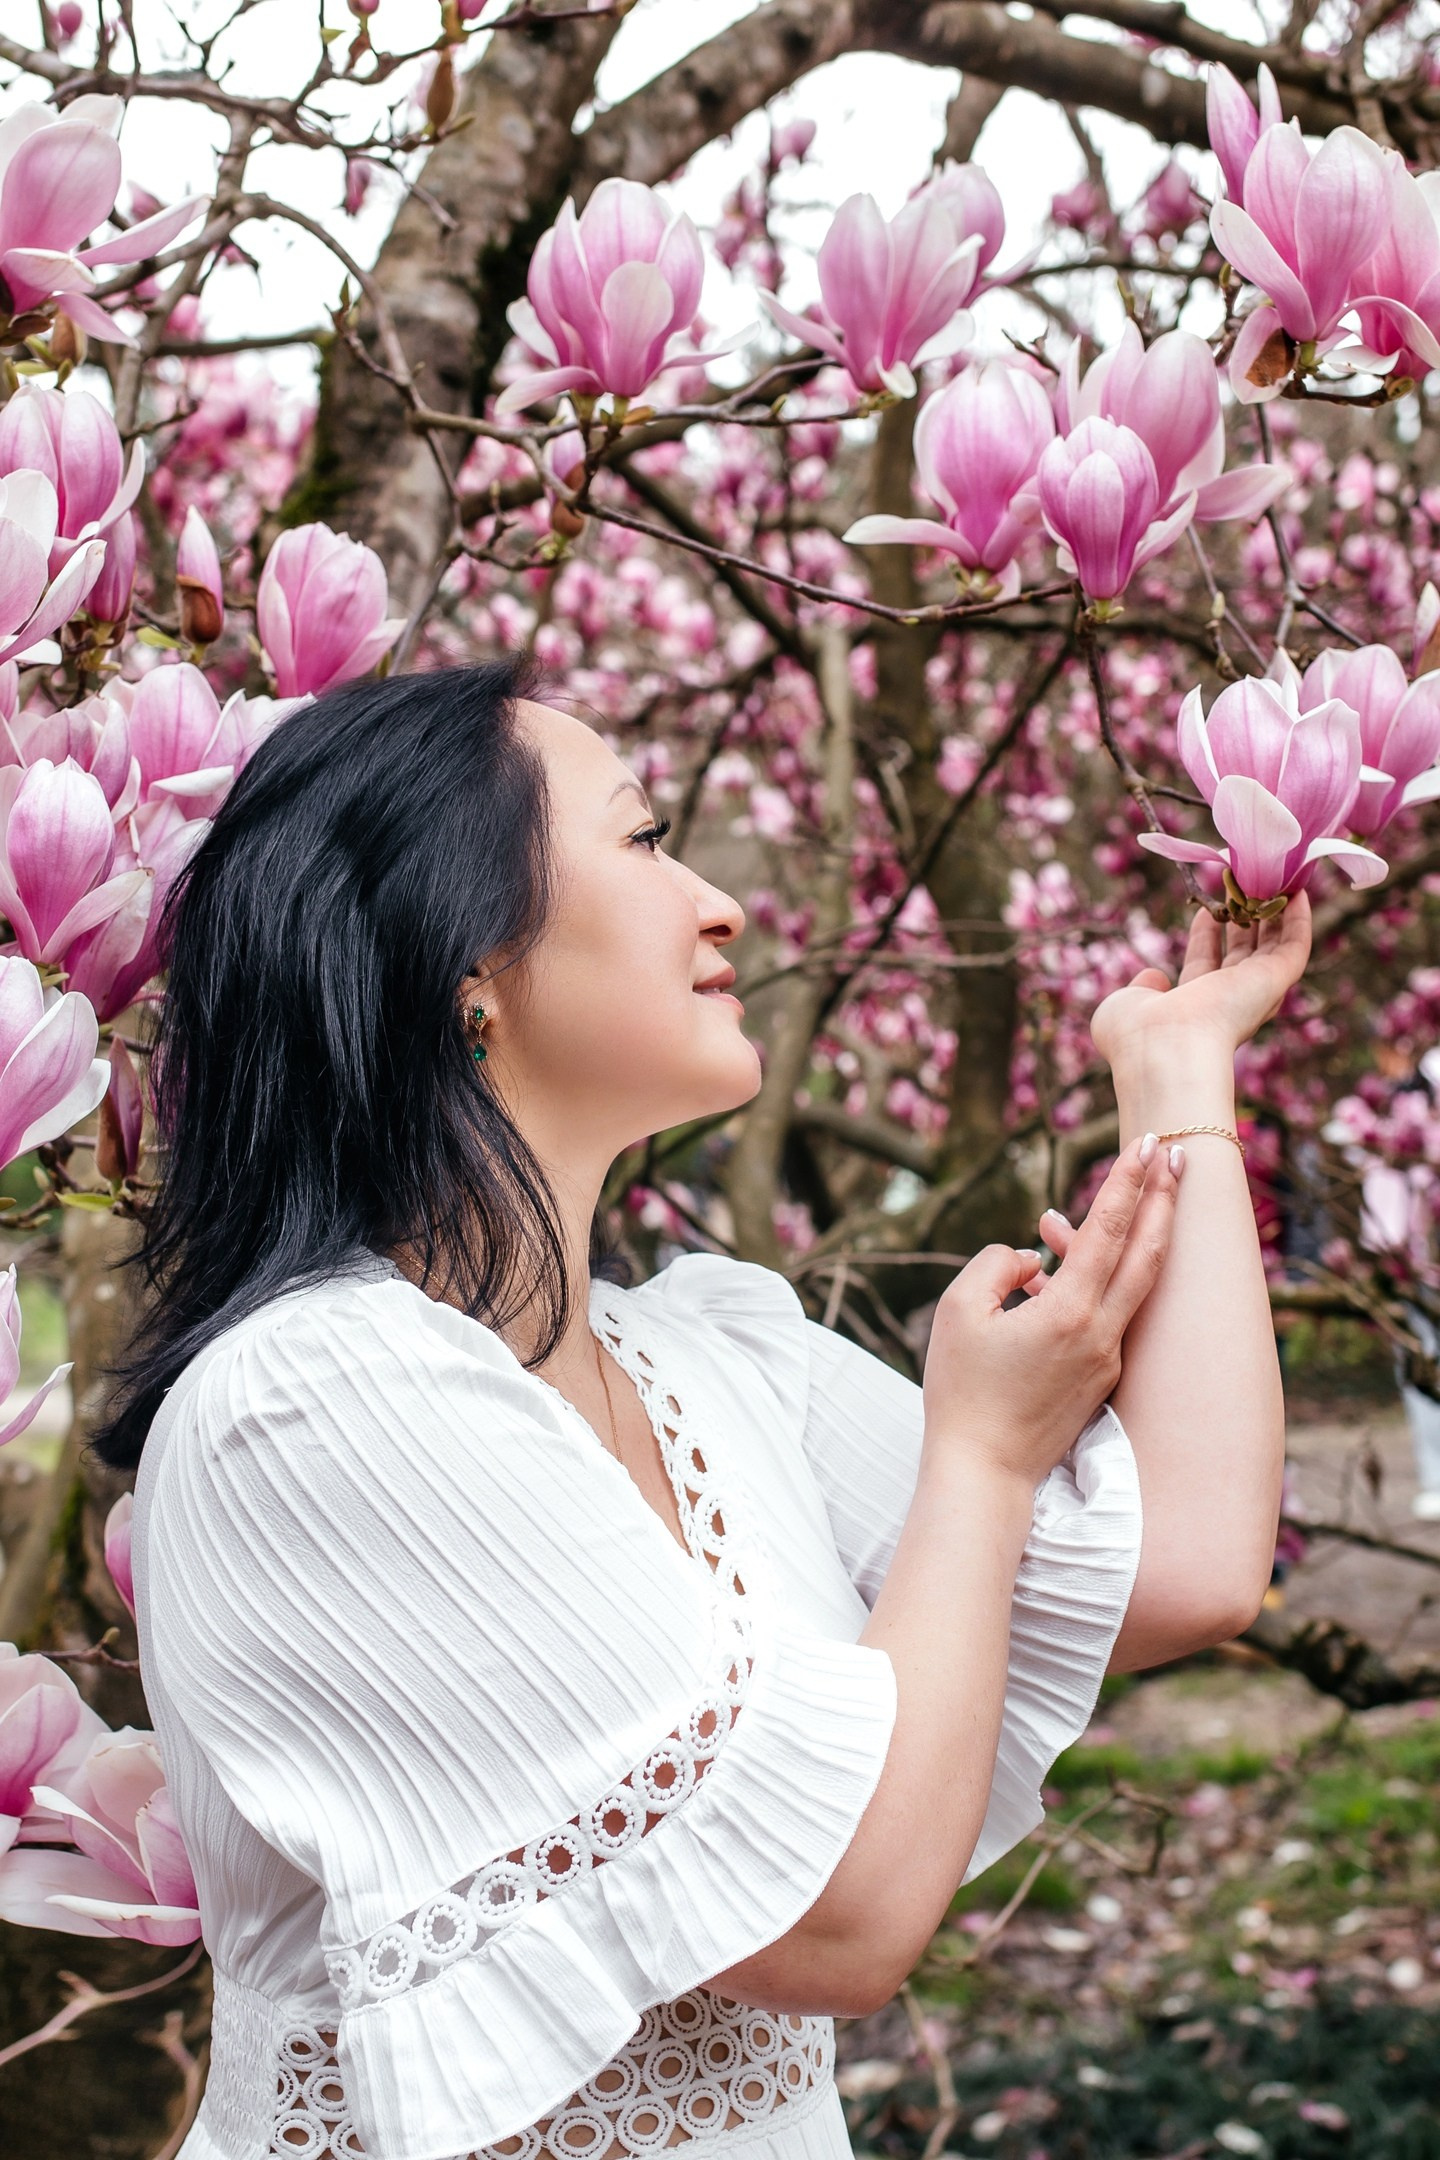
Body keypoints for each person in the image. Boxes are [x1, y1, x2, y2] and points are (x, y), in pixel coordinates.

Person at [97, 662, 1310, 2160]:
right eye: (648, 839)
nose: (720, 902)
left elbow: (1189, 1558)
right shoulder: (310, 1409)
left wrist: (1179, 1067)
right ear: (464, 962)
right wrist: (982, 1462)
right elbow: (832, 1921)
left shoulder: (715, 1363)